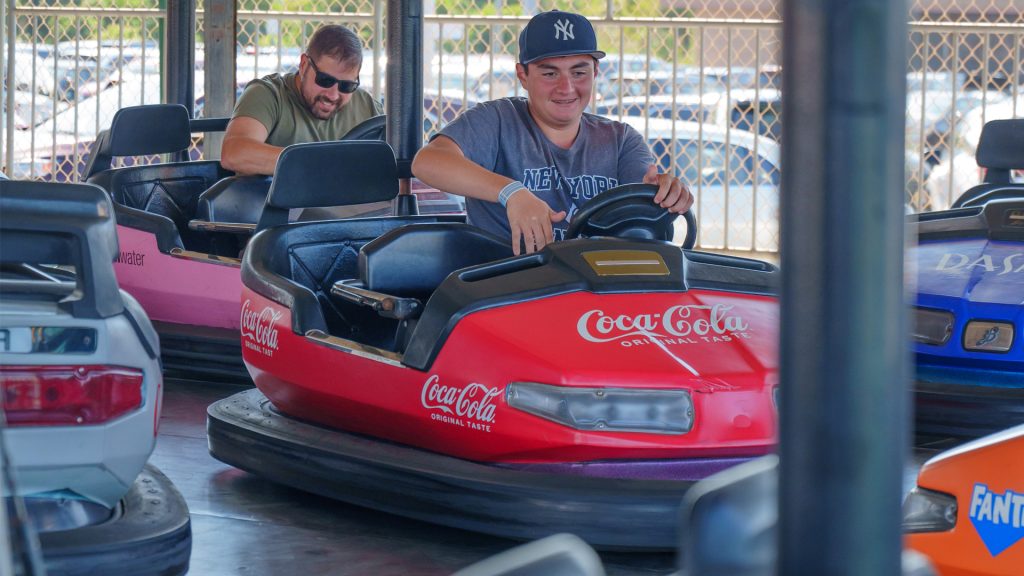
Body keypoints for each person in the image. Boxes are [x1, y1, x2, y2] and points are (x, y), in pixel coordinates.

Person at [412, 10, 693, 255]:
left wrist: (667, 194)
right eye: (550, 74)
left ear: (596, 72)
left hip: (594, 297)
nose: (566, 87)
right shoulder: (497, 120)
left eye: (578, 72)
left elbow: (643, 219)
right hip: (505, 291)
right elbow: (428, 162)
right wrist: (511, 193)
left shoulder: (621, 139)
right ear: (523, 75)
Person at [221, 25, 383, 176]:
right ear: (304, 65)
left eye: (346, 86)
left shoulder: (366, 106)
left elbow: (396, 165)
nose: (333, 95)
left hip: (351, 205)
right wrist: (324, 163)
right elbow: (234, 154)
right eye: (325, 80)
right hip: (276, 205)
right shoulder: (268, 94)